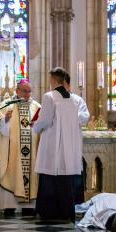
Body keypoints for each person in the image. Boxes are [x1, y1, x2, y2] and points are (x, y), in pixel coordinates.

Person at [32, 67, 85, 222]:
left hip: (52, 144)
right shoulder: (75, 99)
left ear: (54, 80)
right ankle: (66, 211)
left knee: (50, 176)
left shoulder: (49, 97)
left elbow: (45, 120)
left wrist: (35, 126)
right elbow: (82, 118)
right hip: (69, 146)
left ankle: (49, 212)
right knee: (65, 178)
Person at [0, 79, 40, 216]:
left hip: (32, 152)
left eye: (29, 91)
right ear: (17, 90)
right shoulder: (6, 105)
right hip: (11, 151)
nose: (27, 94)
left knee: (31, 173)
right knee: (10, 172)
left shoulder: (36, 106)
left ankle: (29, 207)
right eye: (24, 91)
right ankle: (9, 206)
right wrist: (4, 121)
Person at [64, 72, 90, 204]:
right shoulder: (51, 99)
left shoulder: (77, 100)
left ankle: (76, 203)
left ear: (67, 84)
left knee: (74, 171)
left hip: (72, 143)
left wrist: (69, 116)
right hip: (57, 145)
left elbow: (85, 116)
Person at [0, 25, 20, 91]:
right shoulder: (0, 41)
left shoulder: (12, 40)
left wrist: (13, 50)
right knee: (2, 74)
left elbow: (17, 48)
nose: (4, 34)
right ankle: (2, 89)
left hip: (10, 61)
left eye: (5, 32)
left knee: (10, 74)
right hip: (3, 61)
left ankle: (11, 88)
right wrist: (5, 51)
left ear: (8, 33)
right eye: (3, 32)